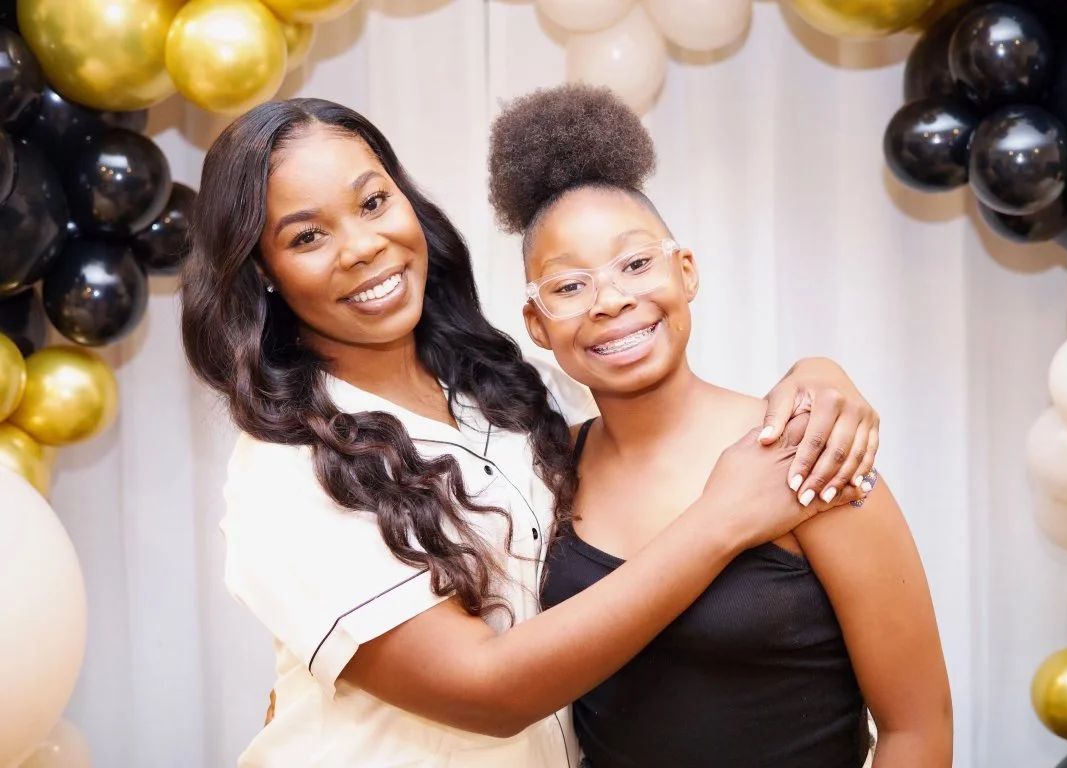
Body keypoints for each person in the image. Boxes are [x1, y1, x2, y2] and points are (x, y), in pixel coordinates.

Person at [180, 97, 882, 767]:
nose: (363, 246)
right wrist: (721, 520)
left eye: (373, 202)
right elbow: (489, 692)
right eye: (307, 236)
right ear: (262, 271)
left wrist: (817, 376)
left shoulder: (511, 390)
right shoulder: (283, 475)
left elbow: (650, 421)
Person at [486, 84, 953, 768]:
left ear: (686, 272)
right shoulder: (547, 474)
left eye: (635, 264)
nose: (610, 300)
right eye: (568, 286)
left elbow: (918, 728)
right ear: (536, 323)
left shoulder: (805, 448)